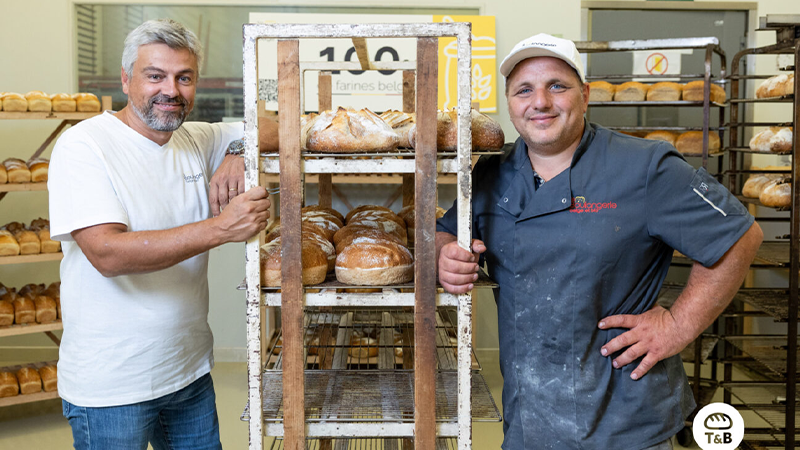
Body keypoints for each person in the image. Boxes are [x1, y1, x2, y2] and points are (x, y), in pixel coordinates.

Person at [436, 33, 763, 450]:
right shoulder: (488, 175)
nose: (540, 102)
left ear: (585, 96)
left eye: (557, 85)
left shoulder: (646, 167)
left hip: (624, 418)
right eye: (524, 90)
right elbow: (446, 231)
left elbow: (739, 236)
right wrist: (444, 256)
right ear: (510, 104)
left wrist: (679, 325)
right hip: (529, 417)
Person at [49, 19, 272, 449]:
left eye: (183, 78)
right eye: (155, 76)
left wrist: (239, 149)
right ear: (126, 78)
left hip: (188, 375)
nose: (171, 90)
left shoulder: (193, 138)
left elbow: (269, 120)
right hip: (113, 389)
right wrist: (220, 229)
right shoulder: (85, 146)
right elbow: (107, 254)